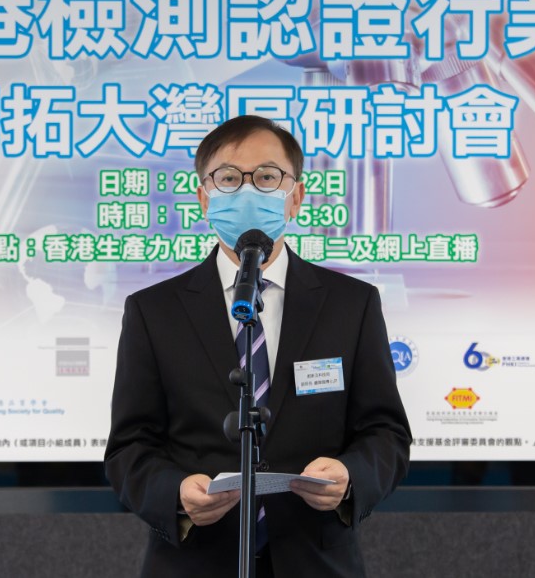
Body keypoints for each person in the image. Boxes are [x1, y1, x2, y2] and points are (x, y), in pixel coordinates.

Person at [105, 115, 411, 577]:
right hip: (195, 562)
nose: (248, 191)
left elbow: (386, 431)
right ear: (204, 198)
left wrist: (352, 477)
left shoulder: (352, 304)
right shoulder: (153, 311)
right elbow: (129, 446)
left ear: (296, 197)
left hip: (316, 562)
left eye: (267, 177)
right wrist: (175, 494)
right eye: (229, 178)